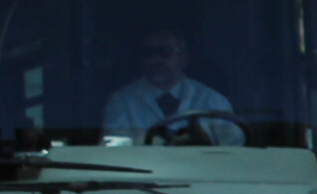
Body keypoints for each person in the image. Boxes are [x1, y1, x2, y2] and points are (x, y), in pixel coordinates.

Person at [102, 29, 239, 145]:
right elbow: (114, 148)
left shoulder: (213, 101)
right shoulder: (122, 101)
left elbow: (234, 151)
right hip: (145, 175)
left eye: (164, 52)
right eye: (148, 53)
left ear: (183, 58)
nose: (156, 60)